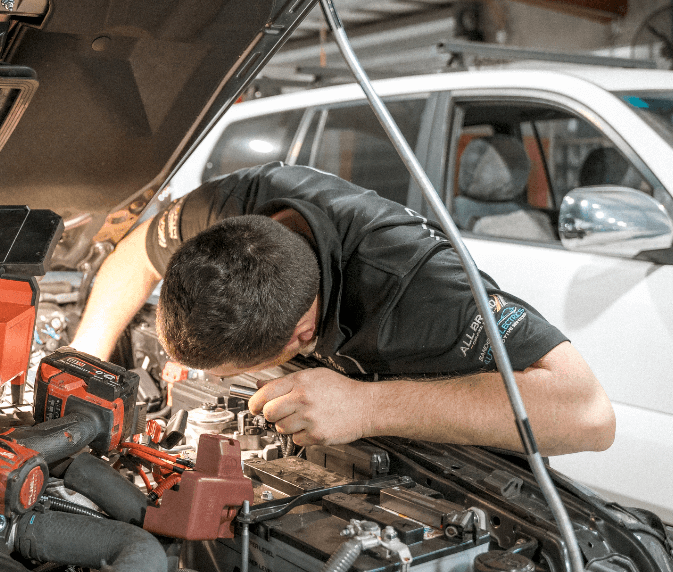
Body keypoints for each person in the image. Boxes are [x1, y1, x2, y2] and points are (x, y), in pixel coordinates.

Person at [69, 162, 614, 456]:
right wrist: (82, 364)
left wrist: (366, 407)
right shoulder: (235, 205)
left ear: (302, 332)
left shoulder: (416, 285)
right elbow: (137, 254)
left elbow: (589, 416)